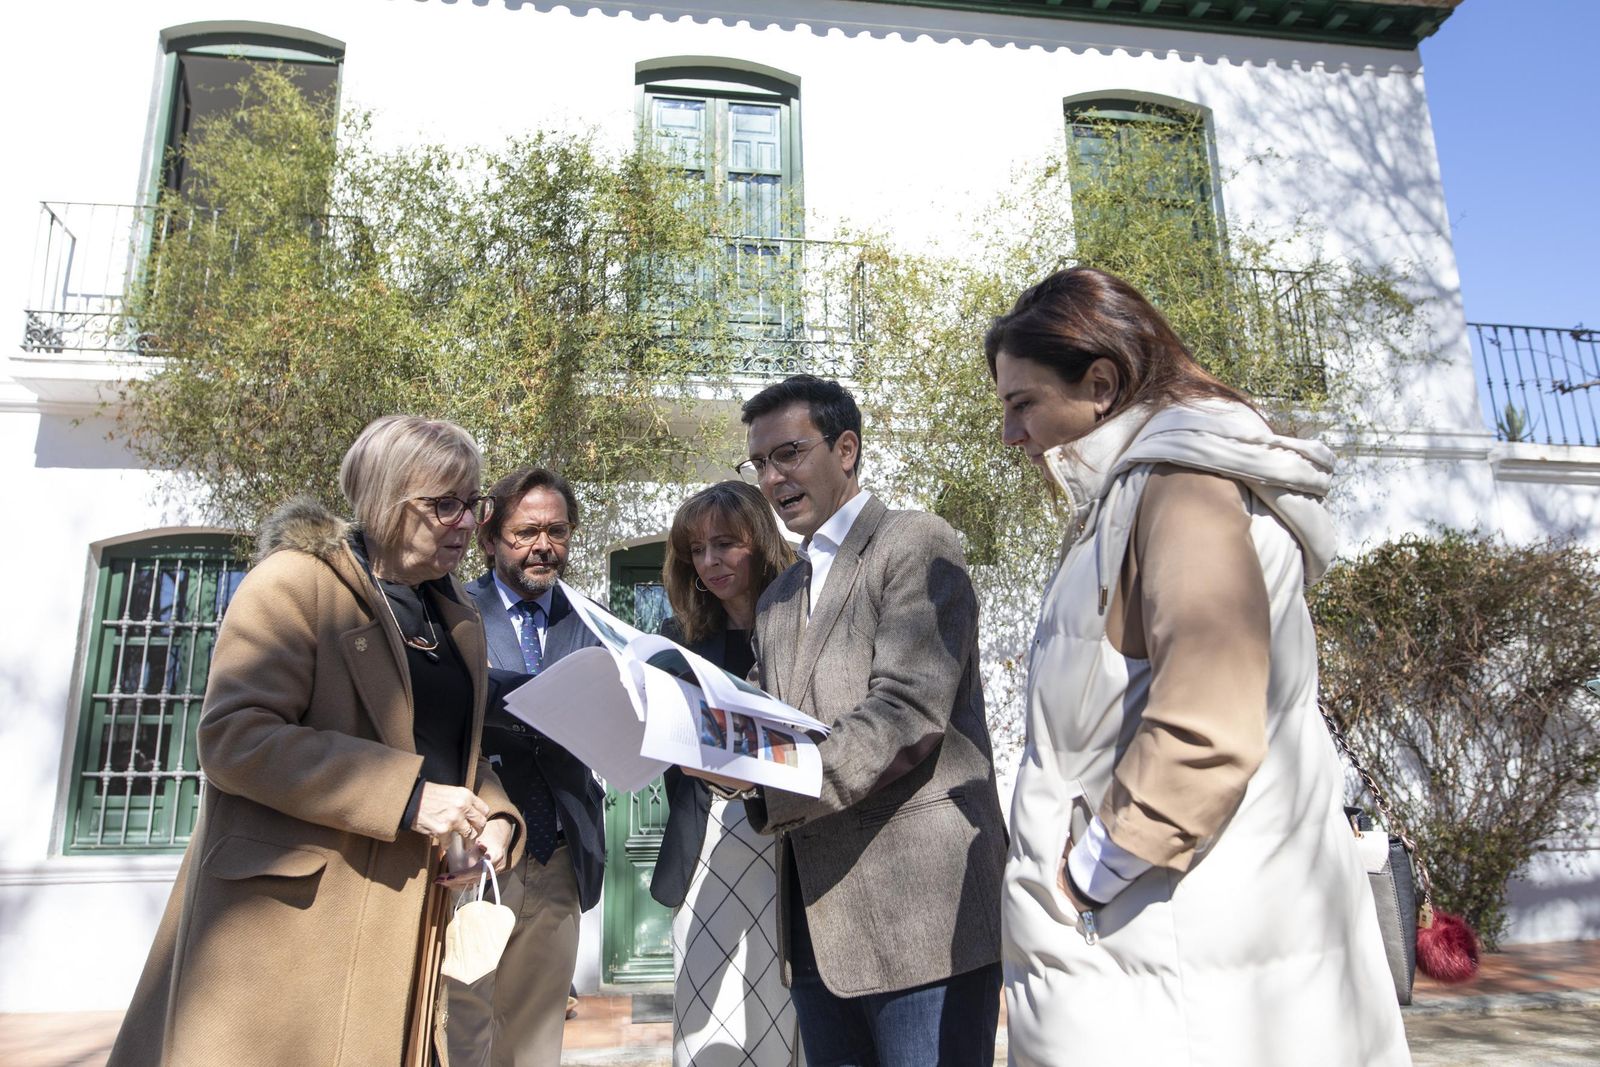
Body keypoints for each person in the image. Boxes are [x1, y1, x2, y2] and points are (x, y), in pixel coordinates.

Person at [989, 267, 1411, 1065]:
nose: (1013, 435)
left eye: (1023, 404)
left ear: (1101, 384)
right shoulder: (1142, 489)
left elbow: (1206, 723)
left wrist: (1085, 876)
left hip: (1166, 945)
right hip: (1175, 939)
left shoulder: (1178, 486)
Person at [108, 415, 523, 1067]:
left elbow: (450, 750)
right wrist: (409, 797)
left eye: (474, 503)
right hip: (292, 932)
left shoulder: (452, 614)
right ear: (386, 501)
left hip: (408, 917)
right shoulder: (295, 584)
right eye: (444, 504)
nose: (468, 522)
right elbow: (233, 737)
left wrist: (494, 820)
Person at [704, 375, 1008, 1067]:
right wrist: (704, 748)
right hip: (817, 921)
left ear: (846, 448)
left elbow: (906, 712)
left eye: (787, 453)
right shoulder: (781, 596)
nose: (772, 476)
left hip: (923, 917)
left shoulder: (916, 541)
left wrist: (776, 783)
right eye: (759, 462)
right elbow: (763, 716)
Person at [448, 466, 607, 1067]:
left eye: (557, 532)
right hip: (481, 852)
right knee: (461, 1025)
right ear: (489, 540)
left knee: (537, 1035)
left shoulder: (591, 622)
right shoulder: (453, 613)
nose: (544, 546)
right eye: (526, 533)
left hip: (561, 852)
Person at [650, 481, 801, 1067]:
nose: (709, 562)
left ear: (760, 543)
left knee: (795, 1020)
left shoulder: (805, 628)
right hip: (710, 841)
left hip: (795, 846)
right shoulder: (677, 643)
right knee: (711, 1028)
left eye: (724, 544)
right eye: (697, 549)